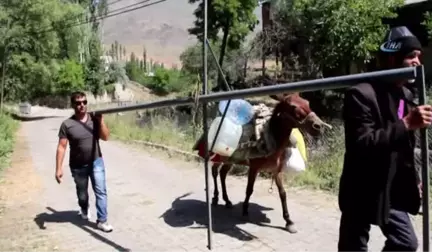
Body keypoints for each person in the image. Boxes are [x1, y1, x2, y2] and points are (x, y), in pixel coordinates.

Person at [338, 26, 431, 252]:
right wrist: (407, 123)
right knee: (353, 247)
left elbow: (408, 145)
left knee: (406, 242)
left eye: (418, 56)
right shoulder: (361, 94)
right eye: (410, 56)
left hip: (391, 187)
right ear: (392, 59)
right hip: (361, 186)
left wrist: (414, 177)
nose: (417, 62)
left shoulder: (406, 95)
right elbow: (362, 144)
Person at [55, 91, 113, 232]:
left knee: (101, 191)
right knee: (82, 194)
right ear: (73, 105)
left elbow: (106, 137)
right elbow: (62, 147)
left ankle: (102, 220)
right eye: (78, 103)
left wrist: (101, 121)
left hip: (96, 161)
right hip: (78, 165)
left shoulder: (94, 119)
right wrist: (58, 169)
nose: (82, 105)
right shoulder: (67, 124)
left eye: (84, 102)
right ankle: (84, 208)